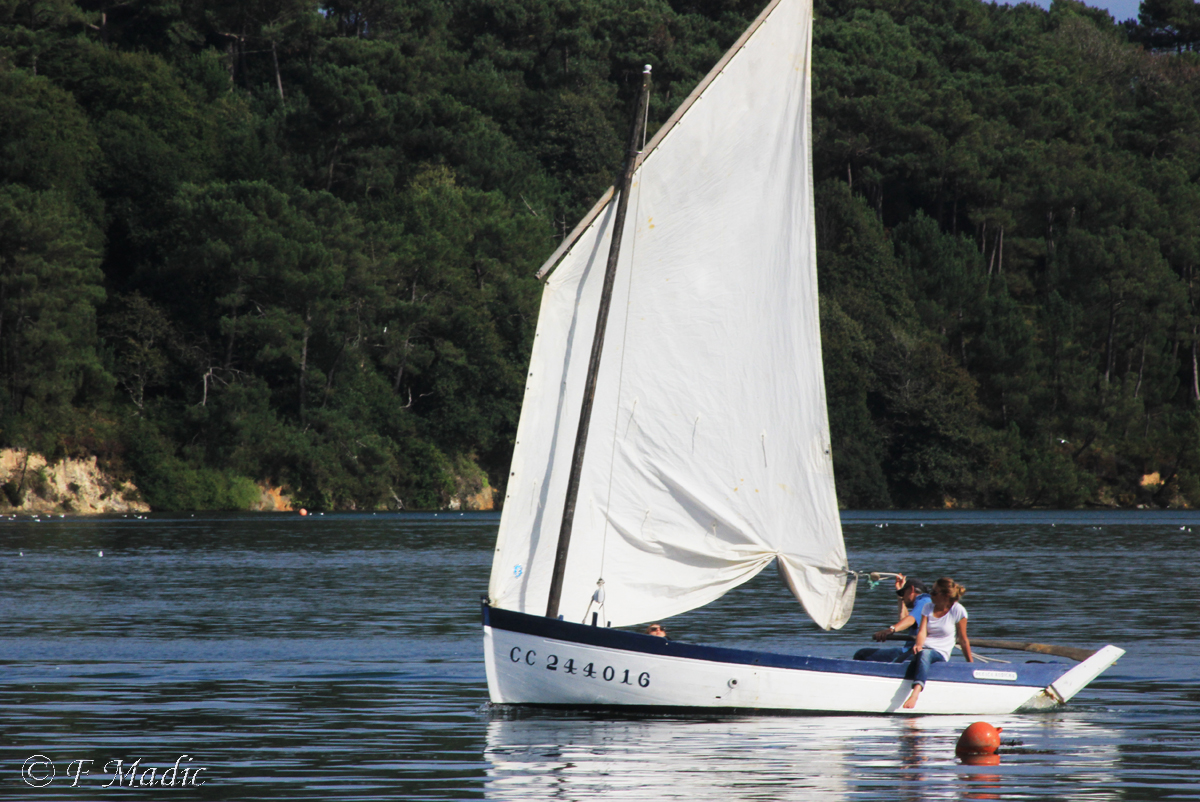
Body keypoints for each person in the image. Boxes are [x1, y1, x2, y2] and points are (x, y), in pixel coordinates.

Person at [902, 576, 973, 709]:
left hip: (939, 653)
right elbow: (922, 631)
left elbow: (963, 639)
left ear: (946, 595)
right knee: (901, 658)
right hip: (924, 648)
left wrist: (971, 664)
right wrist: (918, 644)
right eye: (931, 591)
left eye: (934, 592)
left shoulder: (958, 610)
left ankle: (915, 693)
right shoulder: (928, 607)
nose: (931, 595)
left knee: (925, 655)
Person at [853, 574, 931, 662]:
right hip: (914, 650)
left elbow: (910, 620)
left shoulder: (924, 601)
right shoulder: (926, 602)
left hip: (913, 651)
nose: (903, 598)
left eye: (903, 593)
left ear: (912, 589)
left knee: (862, 654)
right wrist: (900, 594)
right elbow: (904, 620)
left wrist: (889, 630)